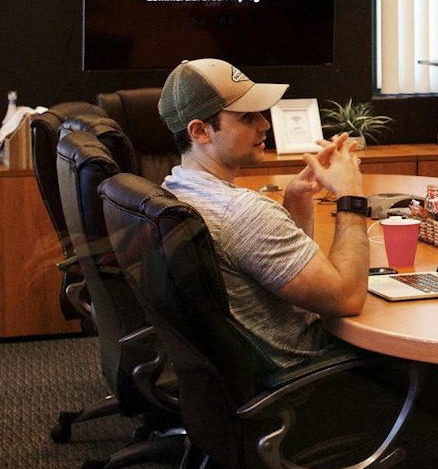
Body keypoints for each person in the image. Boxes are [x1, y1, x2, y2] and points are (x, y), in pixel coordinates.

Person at [158, 57, 372, 370]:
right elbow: (346, 299)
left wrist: (297, 198)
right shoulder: (242, 213)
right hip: (309, 372)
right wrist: (351, 195)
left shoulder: (174, 187)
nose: (264, 124)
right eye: (247, 117)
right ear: (200, 131)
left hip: (241, 373)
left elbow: (278, 269)